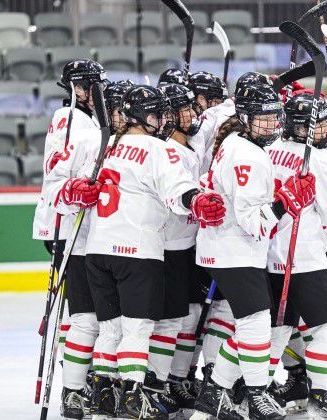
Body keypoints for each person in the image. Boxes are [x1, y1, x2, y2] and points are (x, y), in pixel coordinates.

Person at [76, 84, 226, 420]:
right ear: (142, 117)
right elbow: (178, 193)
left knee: (110, 328)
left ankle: (103, 393)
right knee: (137, 328)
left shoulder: (108, 145)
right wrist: (197, 200)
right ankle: (131, 396)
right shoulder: (158, 150)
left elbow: (81, 187)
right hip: (137, 252)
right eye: (158, 114)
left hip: (98, 250)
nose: (163, 120)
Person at [192, 82, 315, 420]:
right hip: (233, 250)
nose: (272, 124)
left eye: (276, 116)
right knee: (258, 321)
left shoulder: (238, 143)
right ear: (245, 117)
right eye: (263, 118)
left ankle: (212, 396)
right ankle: (257, 396)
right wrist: (287, 202)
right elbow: (253, 222)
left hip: (229, 249)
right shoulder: (247, 154)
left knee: (250, 324)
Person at [265, 93, 327, 419]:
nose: (323, 131)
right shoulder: (320, 160)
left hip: (265, 256)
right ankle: (321, 393)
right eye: (317, 126)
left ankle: (247, 391)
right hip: (302, 257)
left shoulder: (269, 150)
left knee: (275, 331)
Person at [31, 59, 107, 419]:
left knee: (87, 311)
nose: (99, 91)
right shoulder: (68, 118)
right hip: (68, 224)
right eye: (93, 85)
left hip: (87, 226)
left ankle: (83, 374)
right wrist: (74, 189)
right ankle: (73, 382)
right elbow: (55, 171)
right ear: (77, 87)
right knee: (81, 311)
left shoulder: (92, 119)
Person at [153, 83, 208, 415]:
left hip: (188, 245)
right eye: (185, 109)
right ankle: (157, 384)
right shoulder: (167, 151)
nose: (194, 115)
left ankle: (177, 380)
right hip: (168, 247)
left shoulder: (187, 147)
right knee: (168, 321)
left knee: (191, 316)